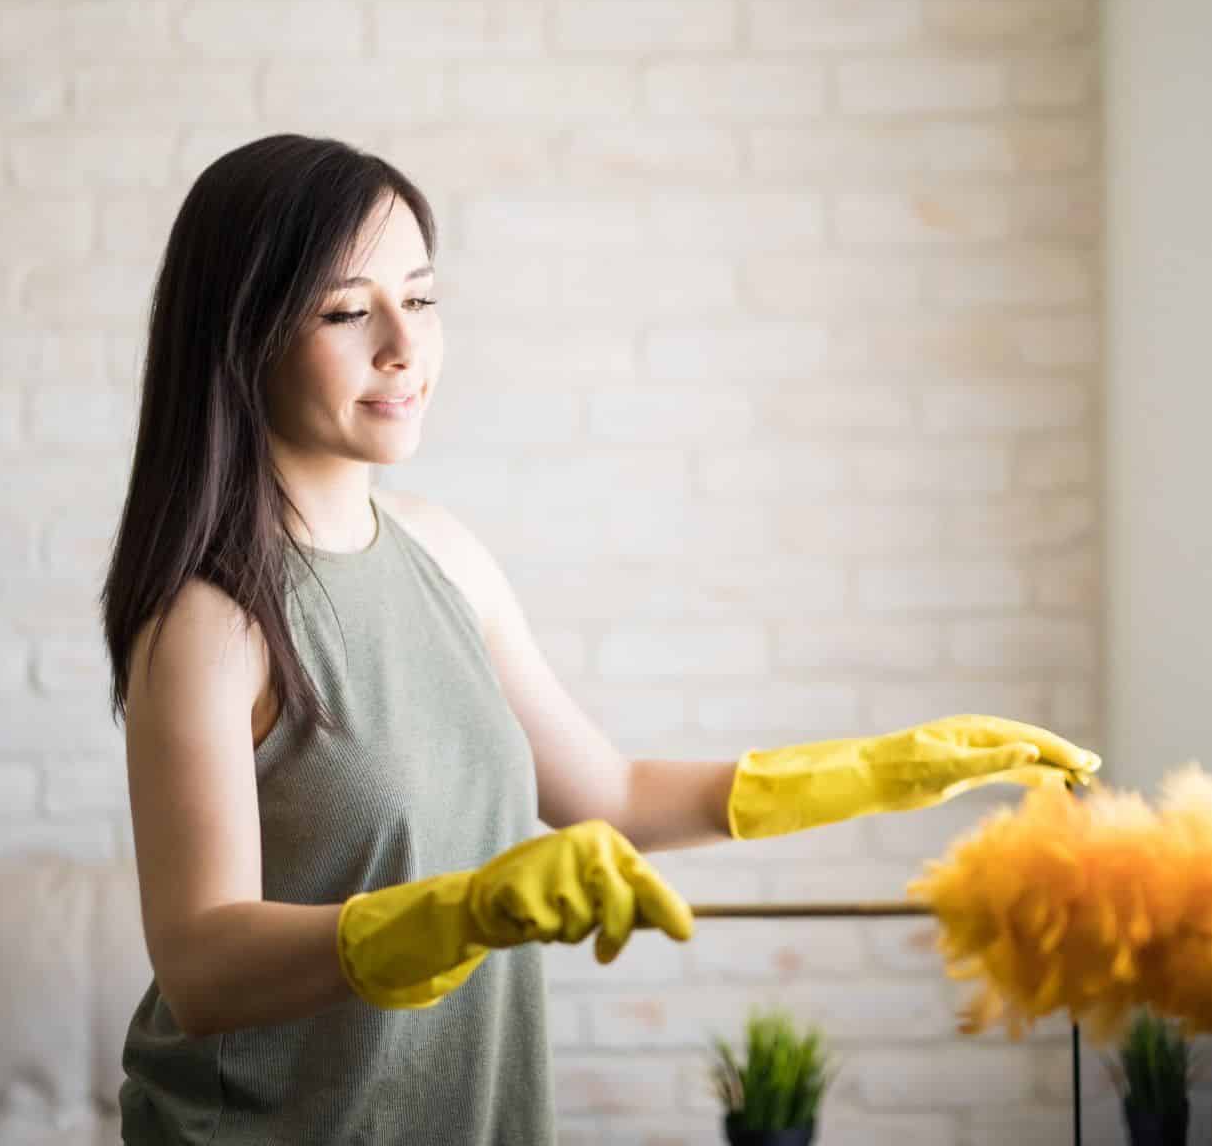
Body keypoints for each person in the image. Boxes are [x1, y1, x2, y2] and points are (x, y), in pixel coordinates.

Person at [101, 133, 1101, 1145]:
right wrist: (464, 911)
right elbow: (203, 963)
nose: (405, 343)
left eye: (424, 296)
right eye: (350, 310)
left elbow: (611, 796)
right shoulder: (207, 623)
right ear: (243, 334)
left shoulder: (442, 552)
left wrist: (882, 772)